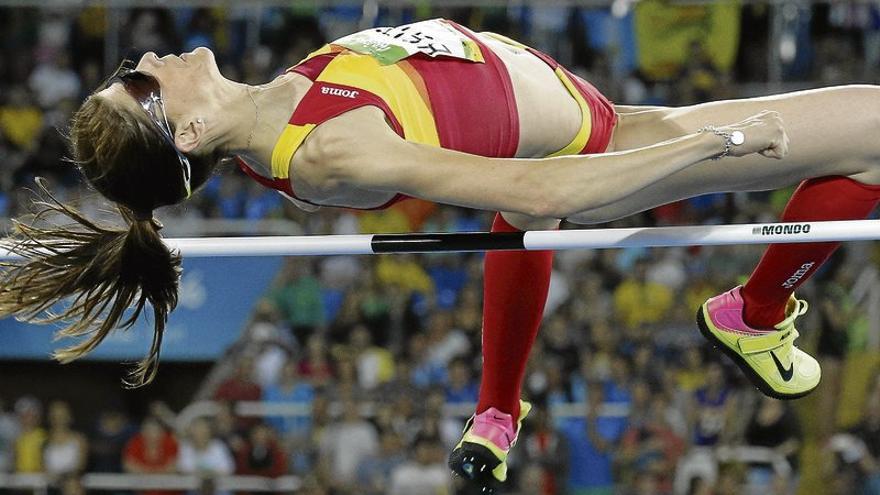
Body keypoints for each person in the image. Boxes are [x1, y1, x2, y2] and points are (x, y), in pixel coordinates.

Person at [1, 16, 878, 492]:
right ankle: (753, 316)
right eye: (140, 80)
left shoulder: (277, 96)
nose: (149, 52)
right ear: (188, 129)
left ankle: (516, 403)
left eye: (128, 63)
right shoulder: (328, 150)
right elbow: (540, 199)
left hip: (579, 99)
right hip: (598, 147)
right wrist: (726, 140)